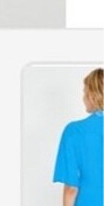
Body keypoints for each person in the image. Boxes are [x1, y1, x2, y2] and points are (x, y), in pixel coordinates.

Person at [53, 67, 104, 206]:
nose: (83, 98)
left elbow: (71, 188)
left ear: (92, 95)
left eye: (85, 92)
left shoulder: (74, 131)